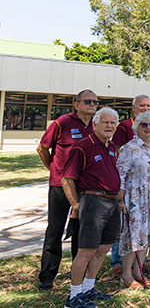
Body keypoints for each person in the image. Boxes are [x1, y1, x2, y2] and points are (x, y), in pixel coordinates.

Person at [61, 106, 120, 308]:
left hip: (112, 202)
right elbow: (67, 179)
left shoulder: (111, 147)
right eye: (105, 122)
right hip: (93, 202)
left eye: (113, 123)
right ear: (95, 124)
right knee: (86, 250)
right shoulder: (83, 146)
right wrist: (76, 205)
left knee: (103, 249)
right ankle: (74, 296)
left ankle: (88, 288)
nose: (110, 126)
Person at [37, 89, 96, 291]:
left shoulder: (95, 126)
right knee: (55, 230)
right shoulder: (62, 123)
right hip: (59, 187)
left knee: (81, 232)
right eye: (88, 101)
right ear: (76, 104)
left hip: (84, 188)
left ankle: (77, 276)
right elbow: (42, 148)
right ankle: (47, 276)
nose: (92, 105)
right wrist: (54, 168)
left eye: (96, 102)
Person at [117, 111, 150, 286]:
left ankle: (138, 271)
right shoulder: (129, 148)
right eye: (144, 124)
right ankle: (126, 275)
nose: (148, 128)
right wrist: (121, 199)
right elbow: (120, 175)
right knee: (134, 236)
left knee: (147, 235)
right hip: (135, 199)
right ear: (136, 127)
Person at [109, 94, 150, 275]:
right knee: (125, 227)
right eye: (142, 105)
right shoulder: (125, 126)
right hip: (130, 186)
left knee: (142, 228)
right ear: (134, 107)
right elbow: (118, 152)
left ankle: (138, 266)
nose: (145, 108)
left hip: (147, 188)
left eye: (148, 105)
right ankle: (118, 263)